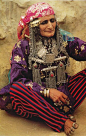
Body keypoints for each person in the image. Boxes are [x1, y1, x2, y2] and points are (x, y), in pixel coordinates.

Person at [0, 2, 86, 136]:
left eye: (52, 20)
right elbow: (17, 80)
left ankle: (56, 112)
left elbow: (81, 49)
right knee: (16, 88)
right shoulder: (22, 46)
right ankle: (60, 120)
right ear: (34, 26)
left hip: (63, 98)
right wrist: (47, 92)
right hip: (35, 102)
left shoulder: (62, 39)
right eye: (44, 22)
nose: (50, 26)